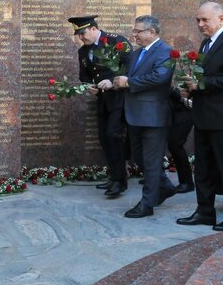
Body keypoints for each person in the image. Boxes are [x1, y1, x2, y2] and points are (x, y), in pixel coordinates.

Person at [177, 2, 223, 231]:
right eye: (198, 20)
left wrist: (202, 84)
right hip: (204, 116)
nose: (200, 24)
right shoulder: (207, 42)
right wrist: (191, 88)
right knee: (204, 168)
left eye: (205, 20)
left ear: (221, 18)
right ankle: (205, 212)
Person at [113, 15, 177, 217]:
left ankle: (147, 204)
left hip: (153, 116)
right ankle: (164, 186)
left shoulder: (165, 51)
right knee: (139, 158)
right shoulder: (137, 53)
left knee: (151, 161)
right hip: (135, 115)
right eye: (134, 31)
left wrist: (129, 82)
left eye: (138, 31)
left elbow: (160, 77)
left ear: (152, 32)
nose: (134, 34)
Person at [68, 14, 132, 198]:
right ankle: (114, 176)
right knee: (104, 138)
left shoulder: (115, 41)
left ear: (94, 29)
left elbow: (130, 66)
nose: (81, 37)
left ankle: (120, 181)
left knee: (114, 136)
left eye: (83, 33)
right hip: (103, 100)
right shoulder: (83, 51)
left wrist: (113, 81)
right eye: (78, 34)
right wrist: (89, 85)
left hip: (120, 98)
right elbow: (85, 74)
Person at [168, 88, 195, 193]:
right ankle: (185, 181)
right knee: (173, 145)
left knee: (175, 144)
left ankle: (187, 182)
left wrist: (181, 98)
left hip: (185, 109)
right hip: (176, 109)